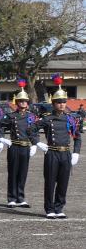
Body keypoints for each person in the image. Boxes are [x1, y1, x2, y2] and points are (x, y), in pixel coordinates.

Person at [35, 75, 81, 219]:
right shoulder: (47, 118)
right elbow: (31, 129)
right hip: (52, 153)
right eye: (58, 102)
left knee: (63, 182)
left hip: (65, 154)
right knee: (50, 182)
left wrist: (76, 153)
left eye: (63, 101)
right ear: (53, 103)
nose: (61, 104)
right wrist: (37, 142)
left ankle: (59, 207)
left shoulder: (70, 118)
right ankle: (49, 209)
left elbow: (77, 136)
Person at [0, 80, 39, 208]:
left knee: (23, 173)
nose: (23, 103)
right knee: (13, 172)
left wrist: (34, 144)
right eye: (21, 101)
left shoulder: (32, 116)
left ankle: (21, 197)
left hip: (25, 147)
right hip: (14, 146)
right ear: (17, 102)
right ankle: (11, 198)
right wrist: (2, 139)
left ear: (28, 103)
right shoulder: (11, 116)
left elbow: (35, 131)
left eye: (25, 101)